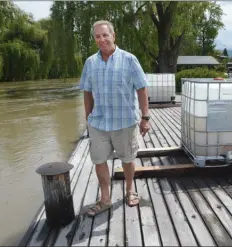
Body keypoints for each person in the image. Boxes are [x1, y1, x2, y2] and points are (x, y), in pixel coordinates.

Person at [79, 20, 150, 217]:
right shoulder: (90, 63)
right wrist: (88, 118)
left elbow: (142, 88)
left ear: (113, 35)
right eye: (97, 36)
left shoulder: (129, 59)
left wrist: (145, 117)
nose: (101, 40)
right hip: (99, 123)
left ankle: (129, 189)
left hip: (124, 121)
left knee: (128, 159)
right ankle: (105, 199)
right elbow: (87, 91)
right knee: (99, 160)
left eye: (105, 35)